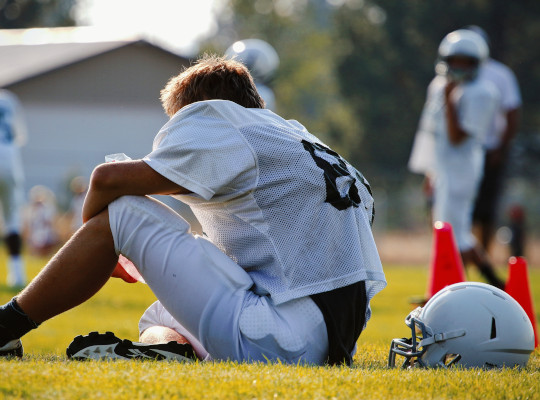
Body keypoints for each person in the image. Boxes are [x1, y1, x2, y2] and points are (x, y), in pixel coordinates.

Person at [0, 54, 386, 365]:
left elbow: (108, 180)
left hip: (280, 335)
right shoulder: (296, 138)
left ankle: (6, 325)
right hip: (328, 341)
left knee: (124, 212)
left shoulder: (220, 118)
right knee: (159, 318)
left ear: (197, 109)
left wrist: (102, 241)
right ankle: (169, 352)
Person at [409, 29, 504, 289]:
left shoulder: (483, 92)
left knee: (452, 234)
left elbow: (456, 137)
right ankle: (491, 282)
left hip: (463, 170)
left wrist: (450, 100)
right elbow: (433, 135)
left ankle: (455, 287)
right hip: (444, 169)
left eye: (466, 62)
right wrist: (431, 171)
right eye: (456, 61)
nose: (459, 67)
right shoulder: (439, 85)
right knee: (452, 232)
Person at [465, 26, 522, 254]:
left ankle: (482, 256)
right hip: (461, 152)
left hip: (489, 150)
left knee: (485, 210)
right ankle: (462, 257)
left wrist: (501, 147)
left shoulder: (500, 75)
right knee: (460, 210)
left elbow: (512, 113)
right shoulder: (455, 75)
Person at [0, 89, 27, 288]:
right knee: (12, 221)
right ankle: (17, 274)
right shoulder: (8, 98)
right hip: (10, 161)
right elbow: (19, 136)